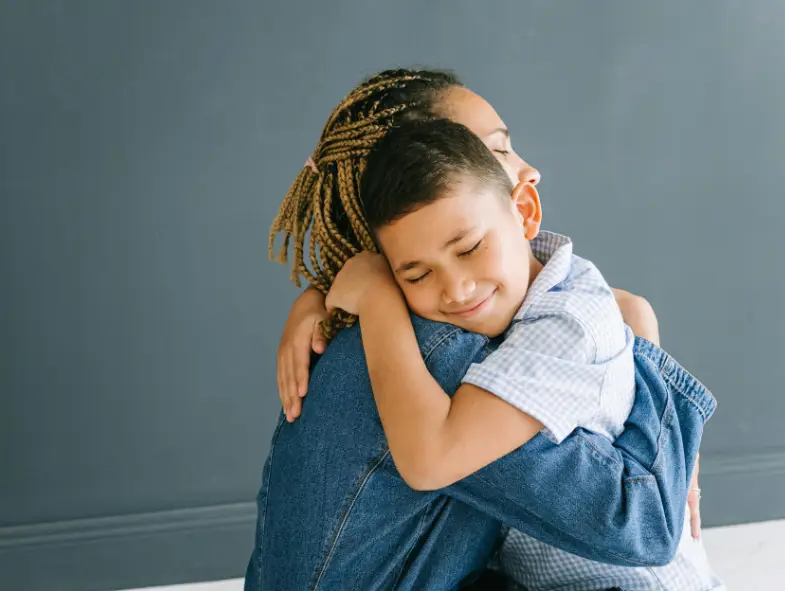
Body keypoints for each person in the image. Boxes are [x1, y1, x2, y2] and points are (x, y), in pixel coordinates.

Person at [246, 69, 712, 590]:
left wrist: (328, 293)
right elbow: (643, 524)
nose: (529, 169)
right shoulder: (438, 346)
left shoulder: (479, 311)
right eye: (496, 153)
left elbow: (605, 309)